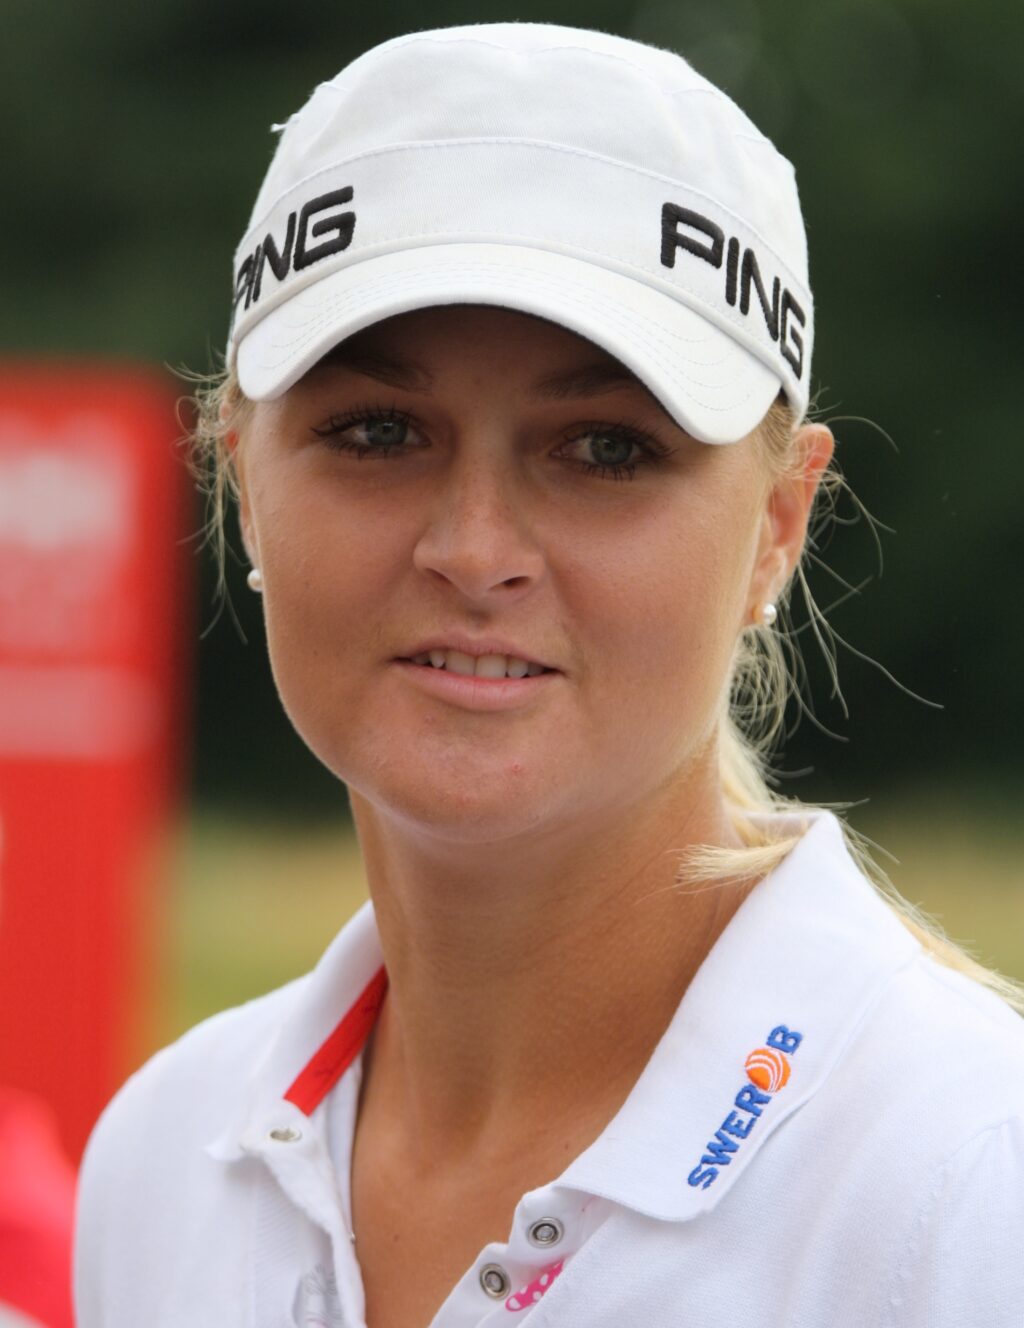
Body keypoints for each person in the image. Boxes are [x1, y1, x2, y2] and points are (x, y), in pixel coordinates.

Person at [74, 22, 1024, 1328]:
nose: (475, 552)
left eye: (607, 450)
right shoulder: (165, 1161)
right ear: (243, 483)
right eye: (379, 431)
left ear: (778, 525)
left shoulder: (970, 1186)